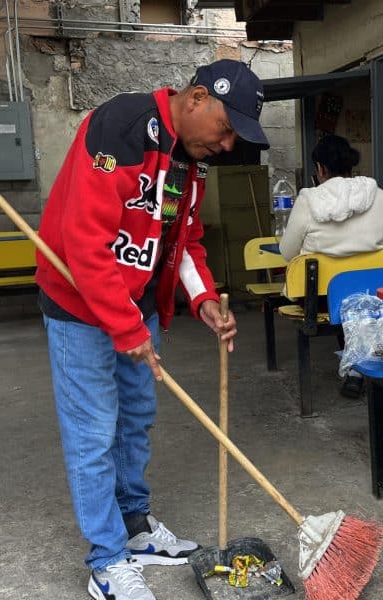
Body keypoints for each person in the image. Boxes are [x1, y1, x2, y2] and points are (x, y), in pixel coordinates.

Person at [36, 59, 267, 600]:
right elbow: (84, 243)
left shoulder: (190, 162)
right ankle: (107, 561)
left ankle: (134, 526)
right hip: (78, 305)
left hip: (133, 304)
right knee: (94, 433)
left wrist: (204, 298)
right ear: (196, 100)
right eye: (227, 129)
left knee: (136, 418)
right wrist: (124, 327)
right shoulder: (119, 127)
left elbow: (181, 238)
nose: (229, 145)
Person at [278, 134, 383, 261]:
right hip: (372, 279)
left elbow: (287, 254)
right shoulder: (378, 195)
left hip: (321, 280)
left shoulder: (306, 201)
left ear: (320, 169)